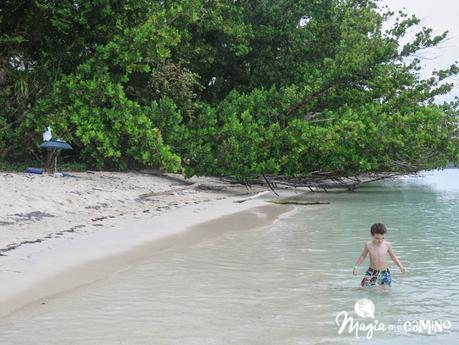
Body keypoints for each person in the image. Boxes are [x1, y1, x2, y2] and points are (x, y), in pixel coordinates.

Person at [352, 223, 406, 289]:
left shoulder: (387, 245)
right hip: (372, 271)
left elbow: (393, 257)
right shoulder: (368, 245)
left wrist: (401, 267)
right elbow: (363, 256)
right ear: (372, 235)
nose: (380, 241)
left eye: (382, 238)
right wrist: (356, 267)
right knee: (362, 288)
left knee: (386, 290)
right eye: (377, 238)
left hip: (384, 272)